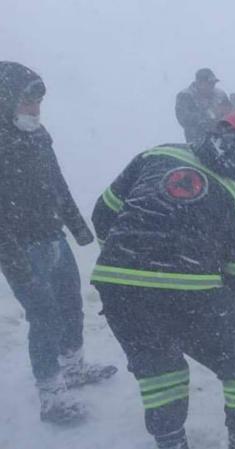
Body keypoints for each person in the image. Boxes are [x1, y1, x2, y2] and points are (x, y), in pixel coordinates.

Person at [90, 109, 235, 449]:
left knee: (160, 369)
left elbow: (103, 212)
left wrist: (127, 260)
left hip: (118, 289)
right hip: (189, 295)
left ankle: (171, 442)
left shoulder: (158, 154)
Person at [0, 61, 117, 425]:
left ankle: (74, 367)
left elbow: (56, 181)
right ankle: (51, 395)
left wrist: (78, 228)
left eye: (37, 104)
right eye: (26, 103)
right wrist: (12, 258)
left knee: (70, 305)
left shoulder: (37, 134)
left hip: (54, 236)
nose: (34, 110)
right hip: (21, 247)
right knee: (44, 316)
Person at [175, 68, 233, 144]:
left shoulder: (220, 94)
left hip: (223, 140)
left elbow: (231, 112)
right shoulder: (186, 96)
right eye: (209, 83)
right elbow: (184, 118)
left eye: (213, 83)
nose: (212, 86)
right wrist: (210, 115)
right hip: (197, 142)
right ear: (199, 83)